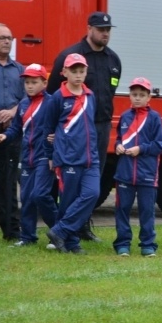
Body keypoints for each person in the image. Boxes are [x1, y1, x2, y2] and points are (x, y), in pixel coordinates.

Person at [47, 11, 121, 242]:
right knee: (70, 182)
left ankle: (82, 227)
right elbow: (52, 95)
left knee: (93, 181)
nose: (105, 33)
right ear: (89, 28)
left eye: (108, 29)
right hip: (72, 130)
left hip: (100, 128)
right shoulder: (71, 56)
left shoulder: (114, 60)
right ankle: (63, 228)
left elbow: (110, 92)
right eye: (101, 29)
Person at [0, 64, 58, 246]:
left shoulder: (51, 102)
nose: (29, 86)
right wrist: (5, 135)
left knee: (40, 194)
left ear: (44, 83)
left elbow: (60, 125)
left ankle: (59, 231)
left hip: (44, 157)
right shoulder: (23, 104)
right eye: (27, 82)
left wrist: (56, 142)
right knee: (27, 198)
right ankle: (28, 237)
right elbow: (16, 128)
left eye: (34, 82)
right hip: (27, 157)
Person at [44, 53, 100, 254]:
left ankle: (60, 230)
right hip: (67, 158)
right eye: (73, 71)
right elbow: (49, 128)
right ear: (64, 72)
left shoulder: (90, 96)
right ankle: (71, 243)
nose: (78, 75)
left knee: (92, 193)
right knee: (67, 200)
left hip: (90, 157)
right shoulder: (58, 97)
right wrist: (51, 155)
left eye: (81, 71)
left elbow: (90, 125)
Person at [112, 77, 162, 257]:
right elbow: (119, 138)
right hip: (125, 173)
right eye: (134, 94)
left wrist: (140, 149)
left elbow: (160, 145)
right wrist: (117, 146)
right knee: (122, 209)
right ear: (129, 95)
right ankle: (122, 244)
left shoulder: (154, 118)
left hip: (147, 174)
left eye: (142, 95)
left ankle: (148, 245)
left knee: (146, 211)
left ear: (149, 97)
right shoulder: (125, 117)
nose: (137, 98)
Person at [0, 22, 24, 240]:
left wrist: (13, 112)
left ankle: (11, 233)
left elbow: (27, 98)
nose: (6, 41)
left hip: (10, 130)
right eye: (2, 37)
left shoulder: (20, 70)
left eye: (9, 38)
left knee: (8, 181)